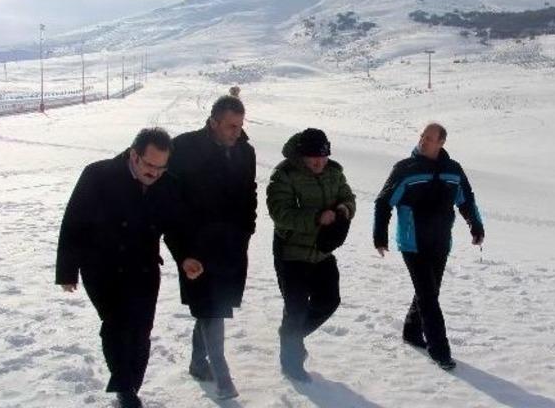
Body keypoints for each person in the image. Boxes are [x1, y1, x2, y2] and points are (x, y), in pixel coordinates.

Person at [56, 128, 204, 408]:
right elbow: (74, 222)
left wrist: (186, 257)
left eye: (161, 167)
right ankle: (125, 389)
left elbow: (176, 228)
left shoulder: (168, 184)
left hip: (144, 267)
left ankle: (130, 384)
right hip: (101, 267)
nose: (155, 173)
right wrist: (67, 271)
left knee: (141, 330)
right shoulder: (98, 175)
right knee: (117, 325)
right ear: (134, 155)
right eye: (150, 165)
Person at [373, 123, 484, 371]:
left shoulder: (453, 170)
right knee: (428, 296)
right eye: (422, 136)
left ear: (441, 142)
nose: (423, 141)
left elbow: (466, 199)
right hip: (413, 243)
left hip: (440, 241)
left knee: (429, 291)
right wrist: (380, 236)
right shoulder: (405, 169)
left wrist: (475, 226)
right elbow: (383, 202)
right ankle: (440, 350)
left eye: (430, 138)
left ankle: (412, 331)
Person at [166, 96, 257, 399]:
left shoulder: (246, 151)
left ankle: (196, 363)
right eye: (231, 126)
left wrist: (247, 228)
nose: (236, 132)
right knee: (210, 306)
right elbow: (171, 201)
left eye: (240, 126)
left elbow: (250, 191)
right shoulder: (184, 148)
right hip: (195, 245)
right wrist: (182, 249)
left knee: (213, 307)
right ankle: (223, 377)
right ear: (213, 121)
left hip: (231, 245)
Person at [266, 128, 355, 381]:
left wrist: (344, 209)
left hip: (323, 252)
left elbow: (348, 197)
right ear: (302, 155)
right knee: (295, 309)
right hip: (291, 254)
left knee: (329, 301)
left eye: (324, 156)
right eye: (314, 157)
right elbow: (280, 213)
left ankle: (290, 337)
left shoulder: (334, 172)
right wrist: (316, 217)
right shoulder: (284, 175)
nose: (320, 162)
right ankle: (291, 361)